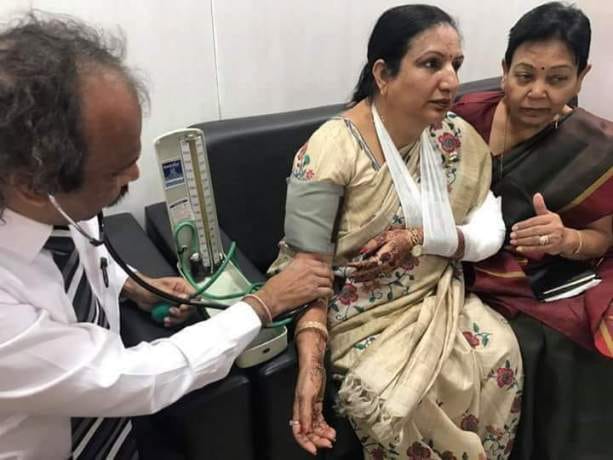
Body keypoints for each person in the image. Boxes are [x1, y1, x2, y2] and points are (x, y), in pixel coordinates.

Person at [0, 14, 334, 460]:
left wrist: (131, 285)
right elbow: (128, 378)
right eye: (114, 172)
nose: (135, 175)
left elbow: (75, 263)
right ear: (31, 184)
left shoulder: (54, 209)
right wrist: (262, 304)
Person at [269, 5, 522, 459]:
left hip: (436, 296)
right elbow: (305, 270)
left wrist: (422, 238)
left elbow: (486, 227)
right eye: (432, 64)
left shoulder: (454, 137)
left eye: (456, 64)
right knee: (401, 400)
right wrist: (311, 366)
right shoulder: (331, 149)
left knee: (499, 349)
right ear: (383, 74)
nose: (451, 81)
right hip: (360, 318)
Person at [453, 2, 613, 358]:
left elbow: (602, 239)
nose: (538, 92)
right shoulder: (461, 119)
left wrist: (566, 238)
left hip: (538, 274)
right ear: (505, 71)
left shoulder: (596, 147)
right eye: (525, 76)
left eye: (557, 79)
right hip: (456, 258)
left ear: (581, 77)